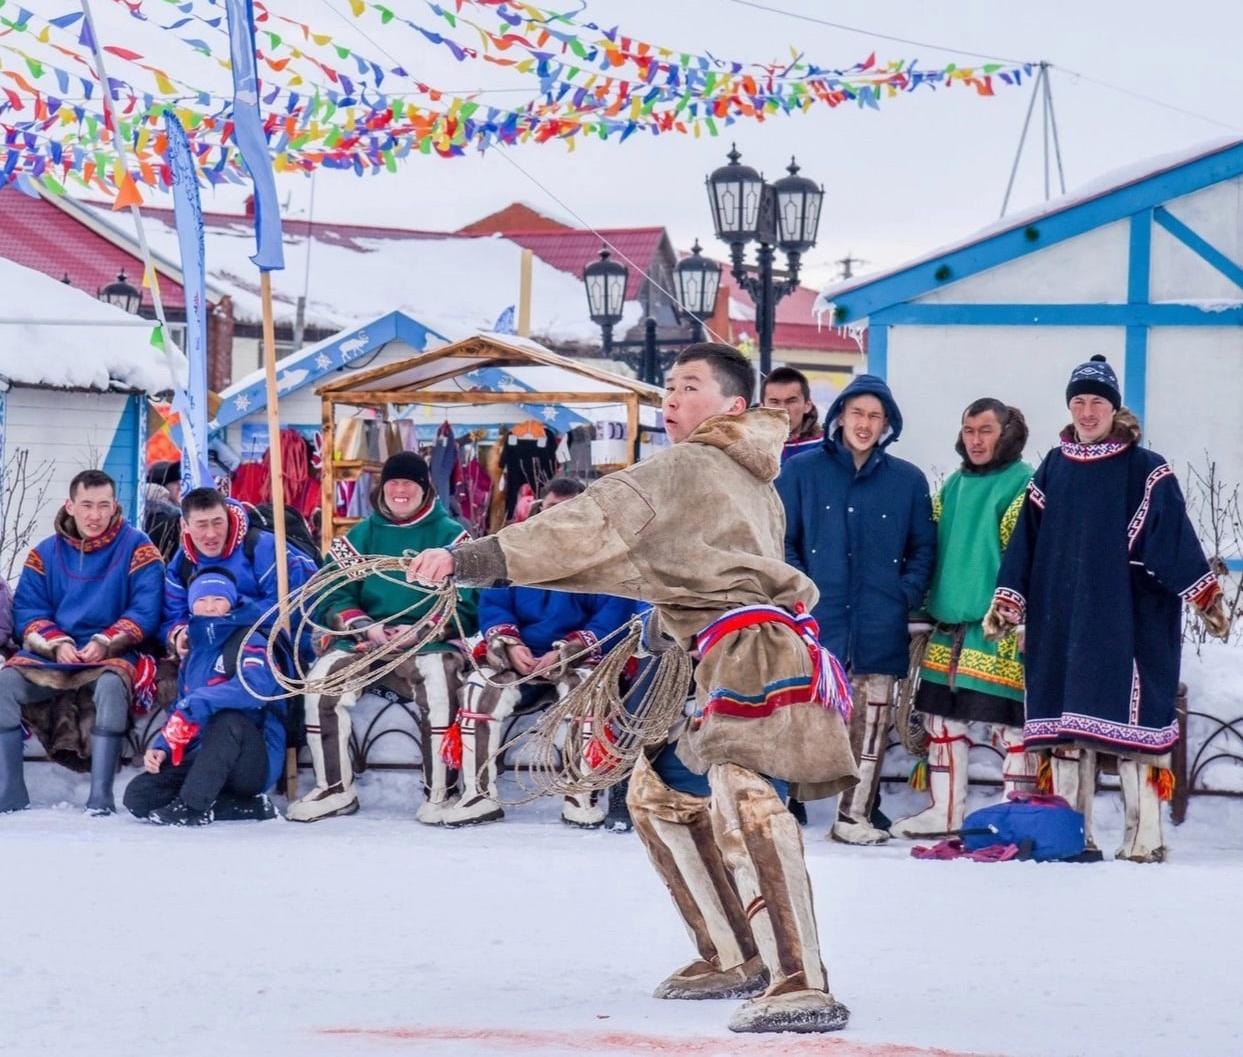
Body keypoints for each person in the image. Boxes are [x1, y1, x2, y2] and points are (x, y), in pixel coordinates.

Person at [408, 343, 858, 1035]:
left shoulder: (684, 465)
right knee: (661, 796)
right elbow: (659, 565)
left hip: (749, 651)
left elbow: (587, 525)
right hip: (722, 648)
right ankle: (734, 953)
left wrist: (470, 558)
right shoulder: (749, 476)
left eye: (687, 386)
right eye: (667, 387)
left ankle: (798, 977)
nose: (669, 398)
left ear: (732, 406)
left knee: (745, 799)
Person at [985, 355, 1228, 862]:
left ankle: (1145, 838)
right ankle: (1075, 834)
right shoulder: (1054, 464)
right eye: (1079, 401)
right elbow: (1025, 542)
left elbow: (1173, 537)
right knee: (1068, 729)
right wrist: (1009, 600)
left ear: (1114, 409)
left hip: (1127, 614)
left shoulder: (1145, 467)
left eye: (1097, 401)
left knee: (1134, 725)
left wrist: (1204, 595)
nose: (1087, 410)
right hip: (1062, 614)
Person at [776, 374, 936, 845]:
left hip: (878, 622)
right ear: (839, 416)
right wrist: (800, 595)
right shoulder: (802, 472)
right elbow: (783, 540)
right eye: (857, 413)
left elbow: (923, 548)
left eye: (875, 416)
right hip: (814, 624)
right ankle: (783, 807)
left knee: (872, 722)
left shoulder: (907, 481)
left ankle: (854, 817)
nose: (864, 424)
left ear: (887, 423)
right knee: (798, 719)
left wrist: (902, 593)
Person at [286, 451, 479, 824]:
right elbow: (331, 591)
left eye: (409, 483)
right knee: (320, 683)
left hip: (429, 640)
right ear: (382, 488)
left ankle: (439, 792)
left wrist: (419, 631)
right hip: (368, 638)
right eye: (393, 482)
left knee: (439, 687)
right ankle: (333, 788)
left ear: (425, 489)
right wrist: (367, 626)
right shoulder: (362, 535)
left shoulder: (454, 538)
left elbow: (467, 602)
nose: (400, 490)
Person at [442, 476, 636, 828]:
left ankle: (581, 794)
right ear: (539, 508)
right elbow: (495, 600)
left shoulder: (607, 552)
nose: (557, 517)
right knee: (477, 690)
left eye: (568, 510)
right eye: (550, 509)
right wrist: (510, 643)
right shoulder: (514, 548)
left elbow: (614, 614)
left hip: (579, 655)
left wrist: (568, 651)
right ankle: (477, 794)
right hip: (519, 653)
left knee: (588, 693)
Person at [890, 399, 1038, 839]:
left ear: (1007, 433)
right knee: (941, 724)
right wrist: (919, 612)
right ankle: (945, 812)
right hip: (948, 629)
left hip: (1000, 629)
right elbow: (930, 550)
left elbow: (1029, 557)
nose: (975, 439)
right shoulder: (952, 486)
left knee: (1011, 727)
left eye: (986, 430)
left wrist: (1027, 615)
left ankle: (1016, 815)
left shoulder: (1025, 484)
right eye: (969, 430)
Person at [0, 470, 163, 815]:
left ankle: (100, 796)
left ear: (114, 506)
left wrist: (107, 641)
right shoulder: (43, 554)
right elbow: (28, 611)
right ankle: (11, 791)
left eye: (103, 505)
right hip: (53, 656)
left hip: (113, 653)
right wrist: (56, 642)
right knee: (5, 683)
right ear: (70, 506)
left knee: (110, 684)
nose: (95, 514)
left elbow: (146, 609)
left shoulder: (139, 548)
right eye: (86, 505)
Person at [123, 568, 284, 826]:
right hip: (205, 758)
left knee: (227, 719)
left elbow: (256, 689)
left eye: (218, 599)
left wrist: (199, 701)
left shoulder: (250, 640)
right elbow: (181, 709)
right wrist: (163, 747)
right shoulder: (194, 651)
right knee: (139, 797)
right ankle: (247, 808)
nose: (209, 607)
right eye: (201, 600)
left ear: (231, 602)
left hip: (251, 760)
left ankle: (192, 807)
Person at [162, 487, 319, 655]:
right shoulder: (181, 564)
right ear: (184, 525)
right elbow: (173, 613)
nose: (211, 534)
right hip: (210, 649)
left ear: (228, 519)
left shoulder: (264, 548)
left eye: (218, 523)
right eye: (201, 525)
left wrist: (230, 621)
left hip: (275, 644)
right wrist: (178, 634)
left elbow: (290, 605)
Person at [761, 366, 823, 464]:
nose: (783, 410)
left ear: (807, 405)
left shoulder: (826, 450)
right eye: (774, 402)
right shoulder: (750, 449)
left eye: (791, 401)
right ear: (762, 408)